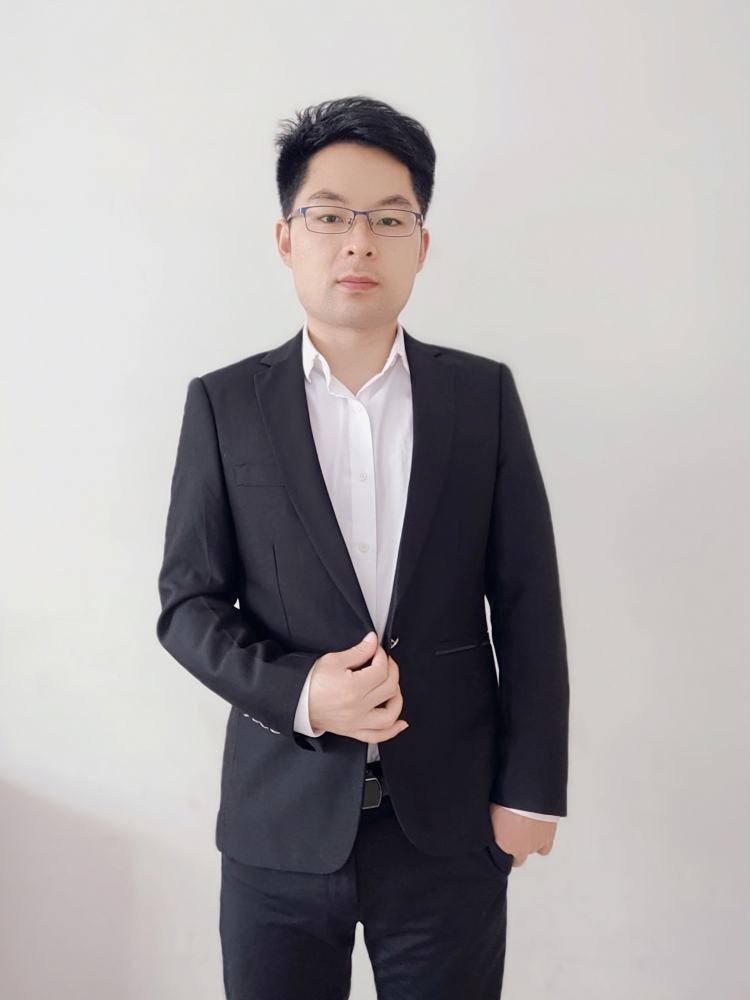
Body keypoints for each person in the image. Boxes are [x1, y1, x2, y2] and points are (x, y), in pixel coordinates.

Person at [157, 95, 569, 1000]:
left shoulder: (481, 398)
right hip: (278, 827)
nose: (359, 243)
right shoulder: (224, 404)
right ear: (285, 238)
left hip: (451, 830)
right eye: (331, 216)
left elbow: (529, 603)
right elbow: (188, 607)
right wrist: (304, 693)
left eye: (389, 219)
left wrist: (531, 791)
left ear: (420, 244)